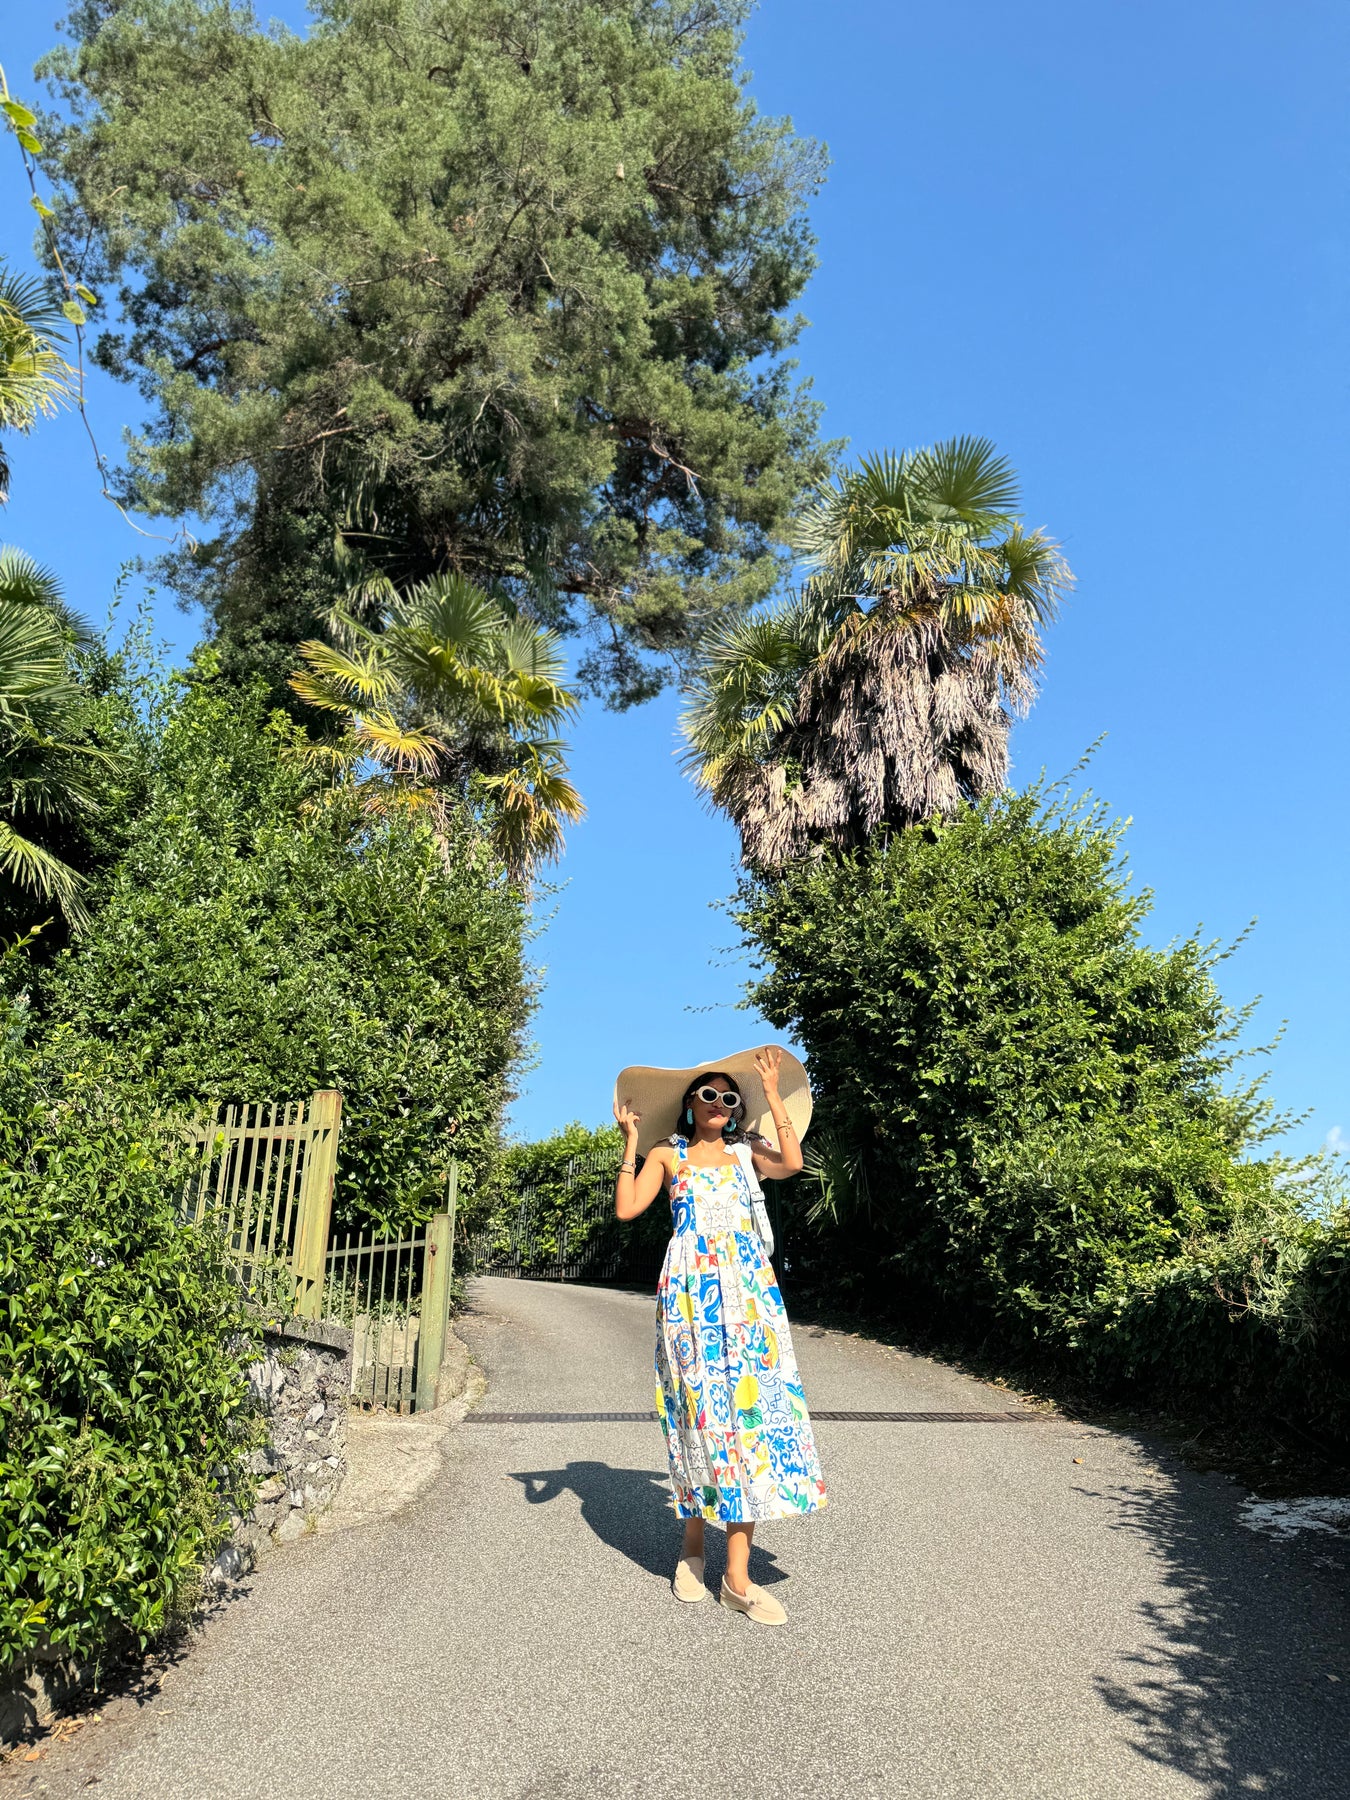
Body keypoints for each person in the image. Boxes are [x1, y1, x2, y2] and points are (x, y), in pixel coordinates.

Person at [612, 1044, 827, 1627]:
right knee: (697, 1418)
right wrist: (632, 1143)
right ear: (690, 1104)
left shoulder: (746, 1152)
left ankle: (737, 1577)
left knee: (748, 1425)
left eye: (729, 1098)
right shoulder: (667, 1154)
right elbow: (628, 1209)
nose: (719, 1104)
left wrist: (773, 1095)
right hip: (688, 1301)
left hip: (750, 1299)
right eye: (709, 1094)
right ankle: (692, 1548)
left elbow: (792, 1163)